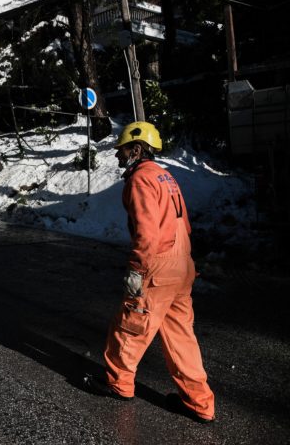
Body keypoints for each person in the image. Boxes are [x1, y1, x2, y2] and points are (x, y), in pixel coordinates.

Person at [85, 121, 215, 424]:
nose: (118, 155)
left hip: (157, 265)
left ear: (137, 149)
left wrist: (137, 269)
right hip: (182, 264)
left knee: (129, 326)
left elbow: (147, 231)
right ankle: (200, 403)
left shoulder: (141, 179)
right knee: (181, 338)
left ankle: (118, 383)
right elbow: (183, 224)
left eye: (123, 149)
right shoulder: (166, 177)